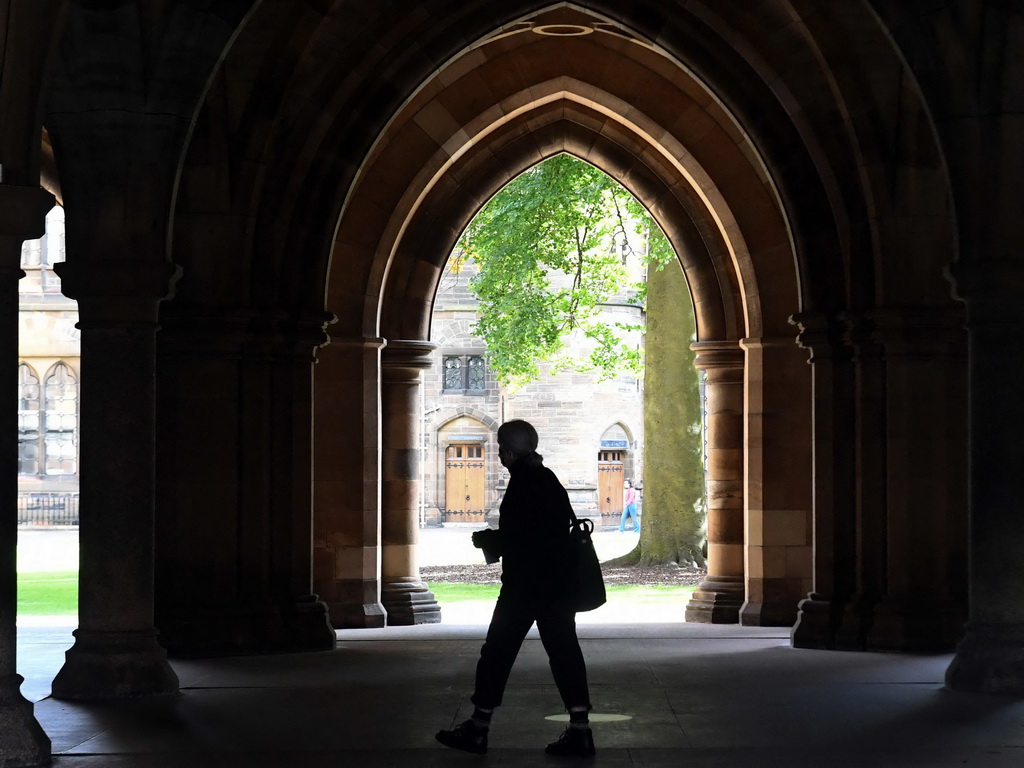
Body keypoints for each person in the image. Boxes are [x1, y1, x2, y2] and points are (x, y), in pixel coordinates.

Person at [436, 419, 595, 758]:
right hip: (556, 587)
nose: (498, 455)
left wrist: (489, 540)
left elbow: (527, 537)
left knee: (496, 653)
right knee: (565, 654)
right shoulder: (546, 477)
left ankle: (478, 728)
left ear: (506, 450)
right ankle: (580, 731)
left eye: (499, 448)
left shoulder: (524, 482)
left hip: (526, 587)